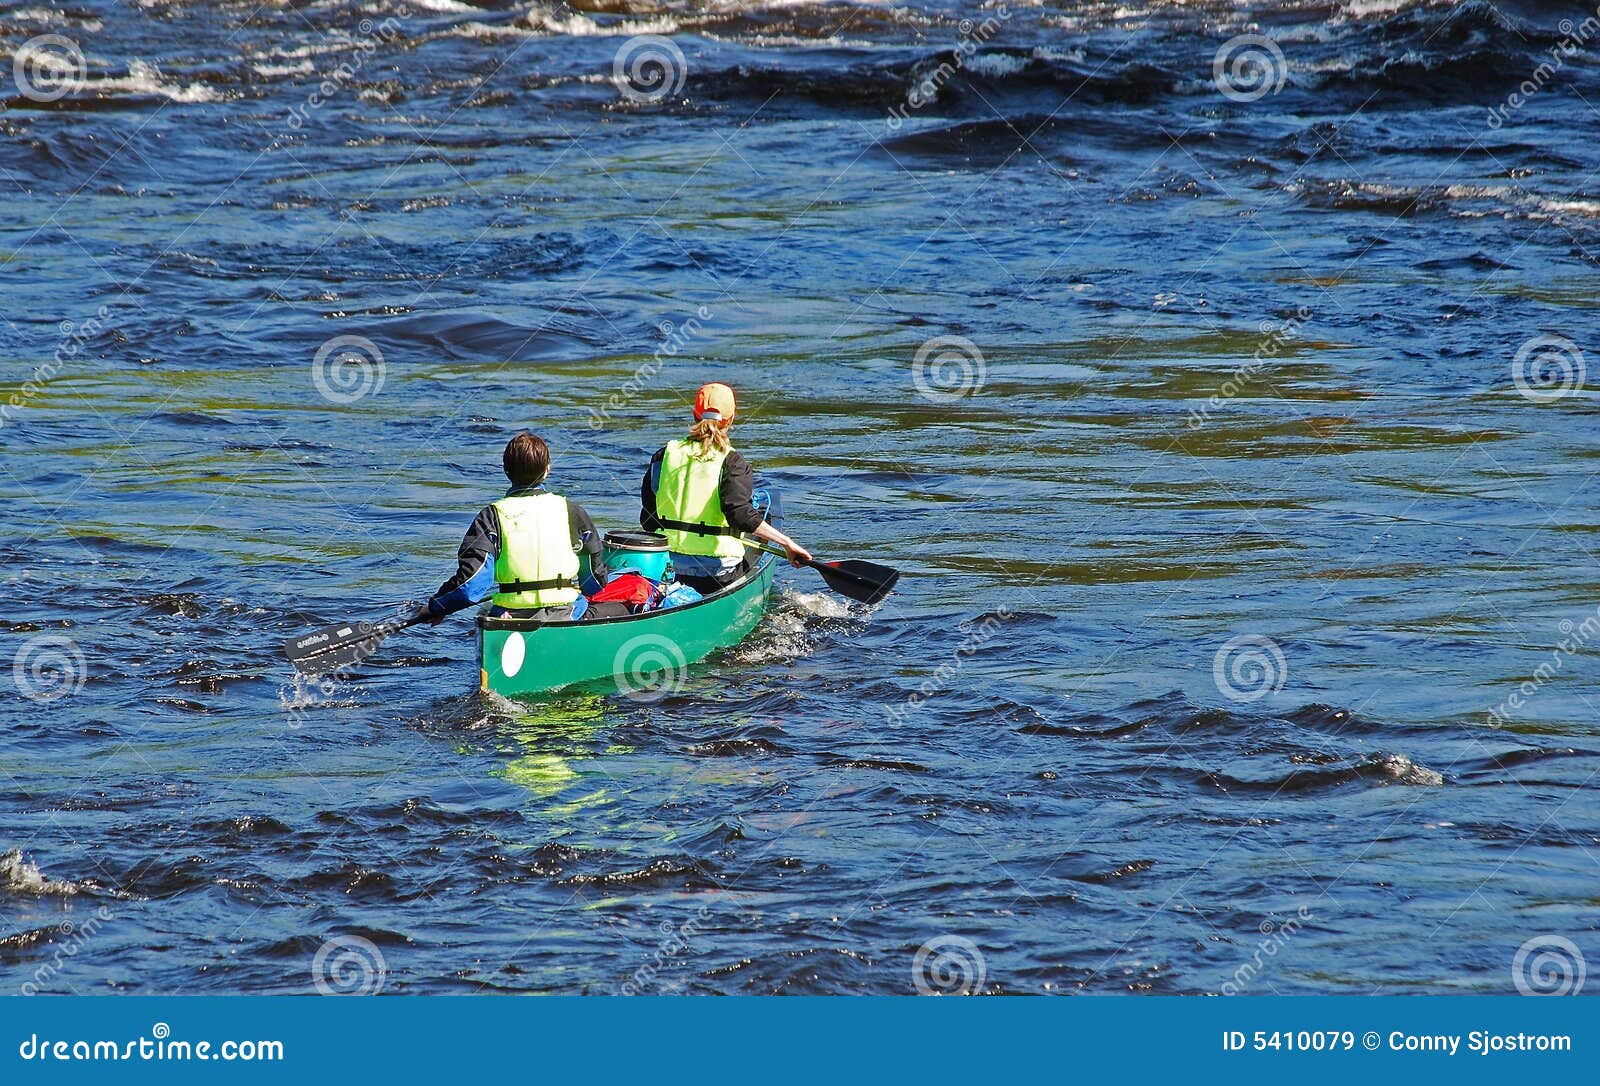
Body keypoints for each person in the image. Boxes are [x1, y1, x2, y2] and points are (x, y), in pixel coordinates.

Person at [640, 382, 810, 595]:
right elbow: (741, 515)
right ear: (730, 419)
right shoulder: (732, 461)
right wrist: (787, 544)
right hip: (717, 574)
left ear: (694, 415)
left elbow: (648, 518)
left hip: (666, 566)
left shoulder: (663, 455)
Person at [417, 432, 606, 624]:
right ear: (547, 469)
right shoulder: (572, 511)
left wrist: (437, 606)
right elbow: (593, 582)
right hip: (568, 613)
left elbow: (471, 586)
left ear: (506, 470)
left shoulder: (491, 516)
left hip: (509, 617)